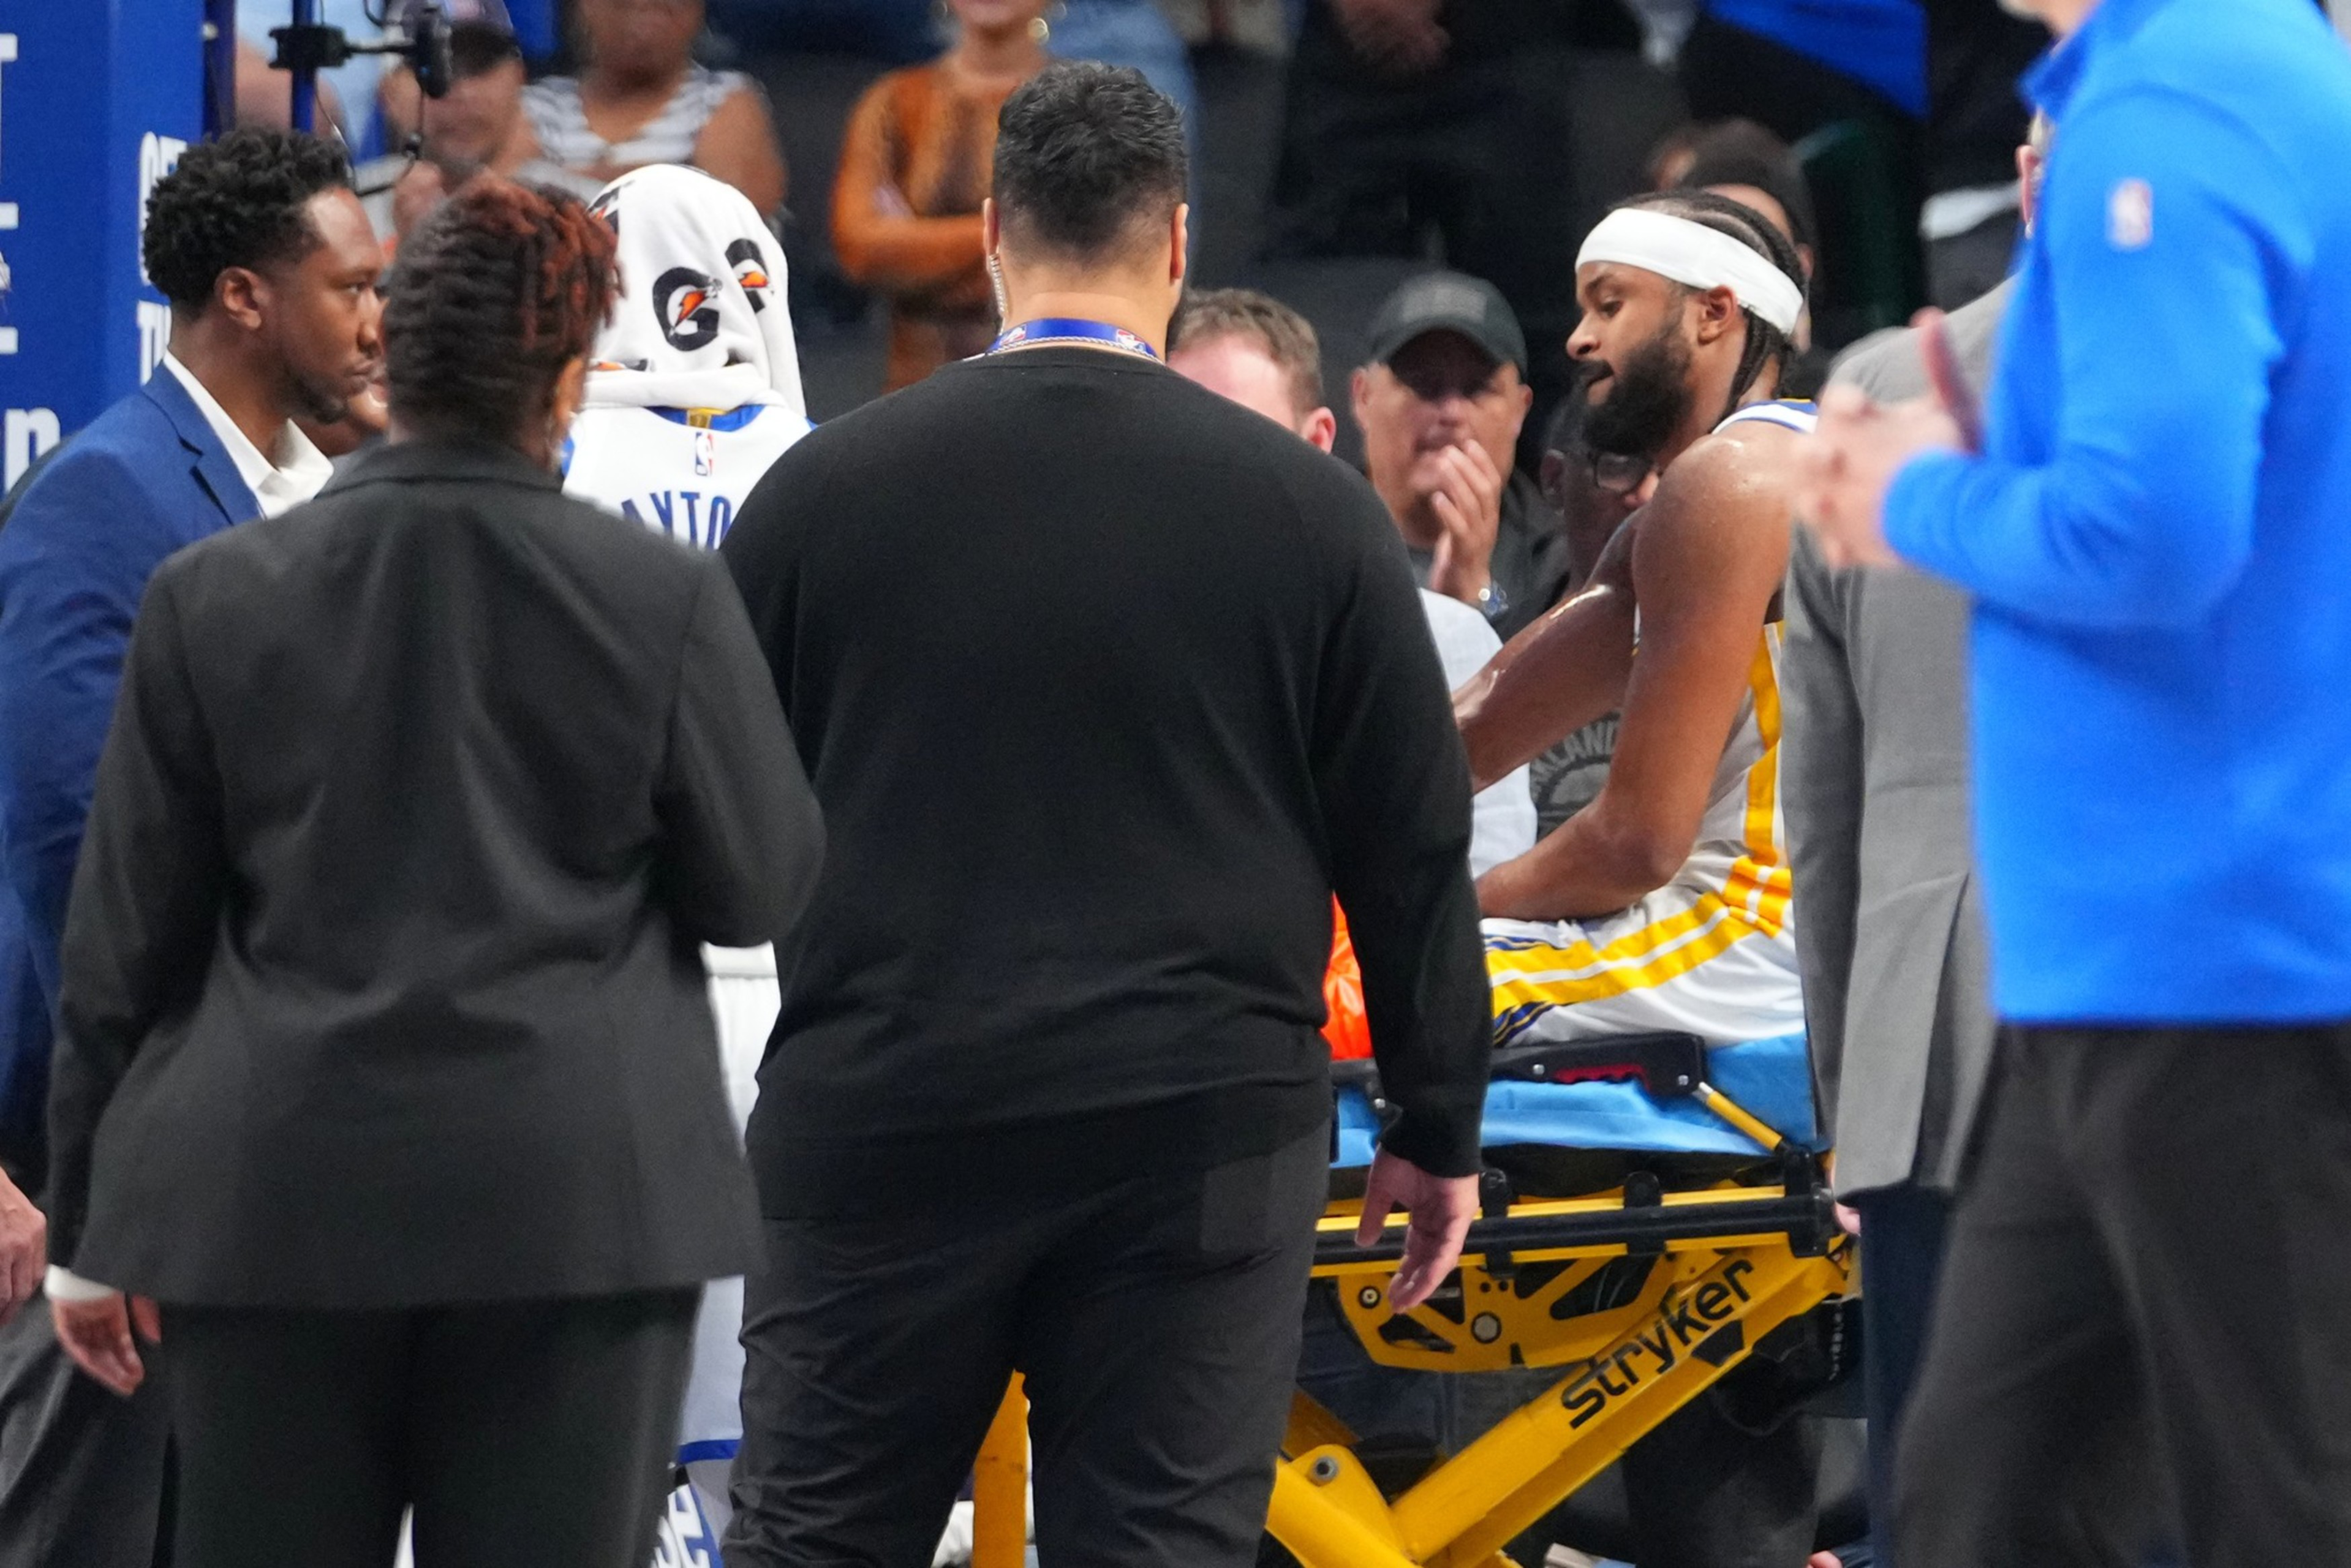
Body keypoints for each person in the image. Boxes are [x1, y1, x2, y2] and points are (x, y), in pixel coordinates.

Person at [719, 62, 1490, 1568]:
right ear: (1180, 242)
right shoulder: (1313, 512)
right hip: (1194, 1132)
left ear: (996, 228)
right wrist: (1436, 1112)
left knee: (813, 1542)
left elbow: (718, 820)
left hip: (885, 1112)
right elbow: (1406, 847)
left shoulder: (816, 495)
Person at [42, 176, 825, 1568]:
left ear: (397, 348)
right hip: (578, 1216)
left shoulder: (211, 597)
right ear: (574, 374)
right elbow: (758, 885)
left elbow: (125, 943)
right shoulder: (663, 598)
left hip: (269, 1210)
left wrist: (90, 1231)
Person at [1796, 0, 2351, 1560]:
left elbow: (2152, 534)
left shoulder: (2177, 103)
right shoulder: (2196, 80)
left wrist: (1914, 496)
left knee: (2271, 1505)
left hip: (2220, 966)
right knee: (1979, 1492)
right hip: (2119, 978)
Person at [0, 126, 380, 1568]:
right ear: (243, 297)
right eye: (348, 286)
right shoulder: (107, 497)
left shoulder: (286, 485)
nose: (373, 318)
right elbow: (74, 854)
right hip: (121, 1167)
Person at [1779, 115, 2043, 1568]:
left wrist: (1849, 1075)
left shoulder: (1867, 400)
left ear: (2025, 176)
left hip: (1924, 1053)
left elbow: (1822, 809)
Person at [559, 159, 809, 1551]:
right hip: (790, 986)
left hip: (590, 990)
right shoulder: (827, 464)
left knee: (571, 1441)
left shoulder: (544, 461)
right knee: (759, 1449)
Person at [1451, 190, 1811, 1055]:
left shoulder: (1733, 483)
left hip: (1758, 942)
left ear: (1711, 314)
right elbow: (1478, 725)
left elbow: (1635, 845)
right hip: (1766, 931)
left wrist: (1435, 913)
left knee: (1384, 999)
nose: (1578, 339)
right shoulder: (1701, 498)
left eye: (1609, 304)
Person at [1168, 286, 1535, 876]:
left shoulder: (1441, 637)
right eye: (1174, 437)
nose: (1203, 473)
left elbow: (1481, 886)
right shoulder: (1093, 638)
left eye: (1241, 438)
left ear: (1315, 445)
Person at [831, 0, 1053, 388]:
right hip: (915, 395)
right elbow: (860, 250)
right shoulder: (894, 100)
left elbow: (1093, 256)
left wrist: (918, 249)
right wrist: (1016, 235)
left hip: (1047, 384)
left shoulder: (1090, 105)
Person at [1351, 271, 1560, 640]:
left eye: (1478, 388)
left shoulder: (1561, 560)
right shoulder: (1313, 540)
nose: (1451, 413)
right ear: (1363, 398)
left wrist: (1480, 596)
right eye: (1422, 384)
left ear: (1520, 410)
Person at [358, 17, 603, 252]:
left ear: (519, 76)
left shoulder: (583, 210)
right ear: (388, 92)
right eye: (434, 68)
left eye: (480, 66)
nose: (463, 93)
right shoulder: (349, 206)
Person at [525, 0, 787, 218]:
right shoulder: (539, 103)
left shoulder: (725, 96)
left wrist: (560, 183)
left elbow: (732, 210)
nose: (643, 3)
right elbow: (508, 199)